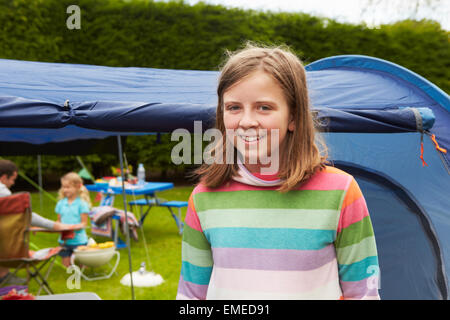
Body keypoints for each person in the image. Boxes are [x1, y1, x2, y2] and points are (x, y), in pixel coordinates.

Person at [176, 43, 380, 300]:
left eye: (264, 107)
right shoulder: (204, 197)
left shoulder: (341, 192)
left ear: (293, 117)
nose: (247, 121)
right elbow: (192, 296)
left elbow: (363, 293)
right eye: (234, 107)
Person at [0, 159, 78, 285]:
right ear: (4, 177)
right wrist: (54, 225)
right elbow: (25, 215)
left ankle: (4, 276)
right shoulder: (2, 192)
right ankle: (3, 277)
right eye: (12, 179)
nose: (13, 183)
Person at [55, 172, 91, 267]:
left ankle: (84, 279)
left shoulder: (82, 204)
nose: (65, 190)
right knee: (67, 267)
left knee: (83, 265)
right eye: (63, 187)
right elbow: (58, 220)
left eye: (68, 187)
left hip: (79, 240)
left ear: (77, 187)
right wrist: (57, 226)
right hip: (64, 240)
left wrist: (71, 227)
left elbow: (84, 224)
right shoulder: (60, 204)